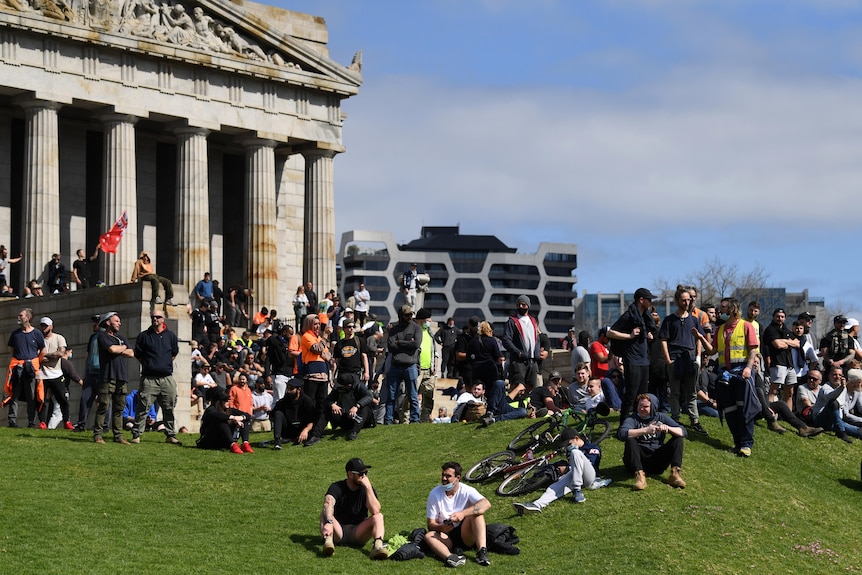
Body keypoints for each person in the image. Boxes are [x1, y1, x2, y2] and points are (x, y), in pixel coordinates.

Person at [512, 427, 611, 514]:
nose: (568, 447)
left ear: (576, 438)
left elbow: (591, 465)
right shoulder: (570, 451)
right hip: (575, 475)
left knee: (576, 453)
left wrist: (568, 467)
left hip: (590, 477)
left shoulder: (592, 447)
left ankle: (577, 490)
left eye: (569, 443)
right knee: (555, 486)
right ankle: (537, 504)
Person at [713, 298, 761, 457]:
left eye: (723, 307)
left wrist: (748, 368)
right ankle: (738, 442)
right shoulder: (719, 329)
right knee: (730, 410)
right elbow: (712, 350)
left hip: (742, 373)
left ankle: (746, 444)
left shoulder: (746, 326)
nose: (720, 310)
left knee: (745, 409)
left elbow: (753, 349)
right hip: (725, 373)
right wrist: (699, 337)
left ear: (732, 309)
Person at [659, 285, 709, 435]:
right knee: (674, 392)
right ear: (677, 301)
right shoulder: (669, 320)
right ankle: (675, 419)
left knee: (691, 392)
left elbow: (699, 339)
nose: (687, 303)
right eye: (683, 300)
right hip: (675, 358)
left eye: (688, 300)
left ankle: (694, 421)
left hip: (690, 358)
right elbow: (663, 340)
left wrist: (698, 357)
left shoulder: (694, 320)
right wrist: (668, 360)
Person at [424, 461, 491, 567]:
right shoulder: (435, 494)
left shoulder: (467, 490)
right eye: (443, 475)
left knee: (477, 514)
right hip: (447, 536)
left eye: (448, 476)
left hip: (465, 533)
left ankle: (482, 552)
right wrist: (441, 527)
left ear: (457, 478)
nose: (444, 479)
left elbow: (486, 504)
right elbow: (430, 524)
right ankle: (450, 557)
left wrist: (463, 513)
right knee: (428, 536)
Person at [320, 458, 388, 560]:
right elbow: (328, 502)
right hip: (339, 531)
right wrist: (329, 522)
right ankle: (328, 542)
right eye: (360, 474)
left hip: (358, 532)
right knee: (325, 510)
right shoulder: (337, 487)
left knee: (379, 517)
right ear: (350, 474)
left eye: (365, 473)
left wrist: (368, 488)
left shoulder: (366, 489)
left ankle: (377, 546)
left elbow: (375, 510)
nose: (364, 476)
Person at [617, 393, 687, 490]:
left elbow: (683, 432)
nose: (641, 409)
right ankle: (639, 476)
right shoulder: (632, 419)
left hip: (657, 461)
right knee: (630, 440)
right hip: (637, 460)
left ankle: (675, 474)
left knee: (678, 439)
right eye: (640, 406)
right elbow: (621, 434)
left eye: (645, 406)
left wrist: (668, 428)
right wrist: (645, 430)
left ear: (653, 407)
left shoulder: (661, 417)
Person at [132, 309, 181, 445]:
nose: (155, 320)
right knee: (143, 407)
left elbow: (174, 353)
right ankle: (136, 434)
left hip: (166, 378)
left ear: (163, 319)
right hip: (149, 379)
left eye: (158, 317)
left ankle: (170, 434)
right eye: (153, 317)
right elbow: (139, 355)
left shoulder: (170, 336)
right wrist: (150, 365)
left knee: (169, 407)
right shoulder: (144, 336)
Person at [606, 287, 657, 420]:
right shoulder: (629, 315)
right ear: (641, 300)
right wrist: (629, 336)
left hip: (644, 358)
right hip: (632, 359)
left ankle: (638, 421)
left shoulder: (645, 317)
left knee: (642, 394)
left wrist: (649, 335)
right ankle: (624, 422)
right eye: (649, 299)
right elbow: (610, 332)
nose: (651, 302)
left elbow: (649, 332)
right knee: (631, 393)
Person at [94, 312, 135, 444]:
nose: (119, 323)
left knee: (119, 408)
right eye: (116, 321)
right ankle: (98, 435)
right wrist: (123, 348)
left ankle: (118, 436)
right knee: (103, 406)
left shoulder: (122, 338)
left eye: (119, 321)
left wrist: (120, 349)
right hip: (107, 377)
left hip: (121, 377)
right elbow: (111, 349)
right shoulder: (102, 336)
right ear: (108, 322)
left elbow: (131, 353)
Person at [3, 308, 45, 428]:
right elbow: (12, 350)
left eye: (21, 315)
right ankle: (12, 420)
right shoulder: (15, 334)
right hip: (17, 367)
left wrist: (34, 363)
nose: (18, 317)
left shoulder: (37, 333)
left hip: (30, 369)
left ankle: (31, 421)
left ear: (28, 318)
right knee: (14, 394)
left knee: (31, 395)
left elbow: (42, 351)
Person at [384, 305, 422, 425]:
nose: (410, 317)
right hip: (396, 365)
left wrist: (399, 342)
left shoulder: (417, 328)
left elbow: (416, 344)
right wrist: (407, 344)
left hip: (410, 365)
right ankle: (388, 419)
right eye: (407, 315)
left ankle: (415, 419)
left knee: (413, 395)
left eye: (411, 314)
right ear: (401, 315)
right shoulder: (394, 329)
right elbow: (390, 346)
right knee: (391, 396)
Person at [501, 295, 541, 401]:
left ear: (528, 306)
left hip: (532, 360)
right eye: (519, 304)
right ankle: (509, 403)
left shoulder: (533, 321)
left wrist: (537, 353)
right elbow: (506, 340)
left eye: (523, 304)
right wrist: (517, 352)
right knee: (518, 384)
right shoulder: (512, 321)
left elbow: (537, 338)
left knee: (531, 384)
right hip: (519, 360)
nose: (521, 306)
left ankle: (525, 404)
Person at [300, 313, 331, 446]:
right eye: (315, 324)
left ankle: (316, 432)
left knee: (321, 405)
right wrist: (324, 339)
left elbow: (328, 355)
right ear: (309, 324)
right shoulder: (307, 336)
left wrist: (321, 347)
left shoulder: (318, 338)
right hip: (311, 375)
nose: (317, 326)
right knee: (310, 405)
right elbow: (317, 349)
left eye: (318, 324)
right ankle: (306, 430)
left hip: (323, 376)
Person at [37, 317, 72, 430]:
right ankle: (42, 422)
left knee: (62, 399)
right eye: (42, 326)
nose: (43, 328)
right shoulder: (38, 339)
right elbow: (39, 358)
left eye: (45, 326)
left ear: (51, 326)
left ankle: (67, 421)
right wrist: (52, 356)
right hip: (42, 374)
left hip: (56, 374)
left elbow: (60, 353)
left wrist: (46, 355)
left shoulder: (59, 338)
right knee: (42, 399)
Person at [762, 308, 799, 411]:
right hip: (778, 364)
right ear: (773, 317)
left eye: (782, 317)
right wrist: (787, 342)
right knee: (774, 390)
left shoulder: (786, 329)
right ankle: (770, 413)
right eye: (777, 316)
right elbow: (778, 345)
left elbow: (797, 343)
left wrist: (784, 341)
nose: (780, 318)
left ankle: (789, 415)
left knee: (790, 392)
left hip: (789, 365)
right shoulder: (770, 330)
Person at [196, 387, 251, 453]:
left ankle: (245, 443)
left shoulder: (229, 410)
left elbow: (247, 415)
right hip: (208, 441)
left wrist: (241, 418)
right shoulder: (211, 410)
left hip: (223, 441)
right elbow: (217, 416)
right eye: (225, 400)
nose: (228, 402)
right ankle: (233, 445)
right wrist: (233, 418)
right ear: (218, 401)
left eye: (228, 399)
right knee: (221, 421)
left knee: (245, 420)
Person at [324, 372, 373, 440]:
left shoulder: (359, 386)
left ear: (348, 386)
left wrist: (357, 406)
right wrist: (332, 404)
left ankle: (354, 432)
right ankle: (317, 434)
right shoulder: (338, 390)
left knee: (365, 408)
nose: (339, 388)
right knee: (327, 408)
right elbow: (327, 400)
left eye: (341, 386)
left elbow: (369, 397)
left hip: (359, 418)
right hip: (346, 417)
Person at [74, 314, 102, 431]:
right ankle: (81, 424)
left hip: (102, 373)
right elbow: (88, 355)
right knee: (85, 399)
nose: (93, 325)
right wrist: (86, 371)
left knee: (103, 400)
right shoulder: (92, 338)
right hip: (91, 373)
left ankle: (103, 426)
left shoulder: (106, 337)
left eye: (96, 322)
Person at [270, 377, 315, 448]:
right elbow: (273, 415)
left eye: (291, 389)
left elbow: (312, 420)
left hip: (302, 428)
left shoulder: (307, 401)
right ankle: (277, 440)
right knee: (278, 413)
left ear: (299, 389)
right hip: (288, 430)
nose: (288, 391)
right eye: (288, 388)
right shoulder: (284, 401)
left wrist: (305, 430)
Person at [415, 308, 438, 423]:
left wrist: (435, 366)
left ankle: (424, 420)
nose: (429, 322)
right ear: (421, 320)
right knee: (411, 396)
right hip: (416, 369)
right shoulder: (414, 331)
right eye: (427, 320)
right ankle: (410, 419)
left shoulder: (429, 332)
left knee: (428, 397)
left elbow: (435, 351)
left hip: (429, 370)